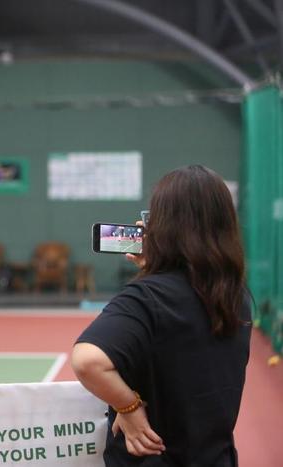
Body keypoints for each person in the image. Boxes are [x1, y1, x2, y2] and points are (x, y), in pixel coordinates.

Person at [72, 165, 251, 465]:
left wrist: (128, 407)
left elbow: (88, 361)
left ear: (162, 226)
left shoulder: (146, 297)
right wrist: (155, 269)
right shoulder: (236, 297)